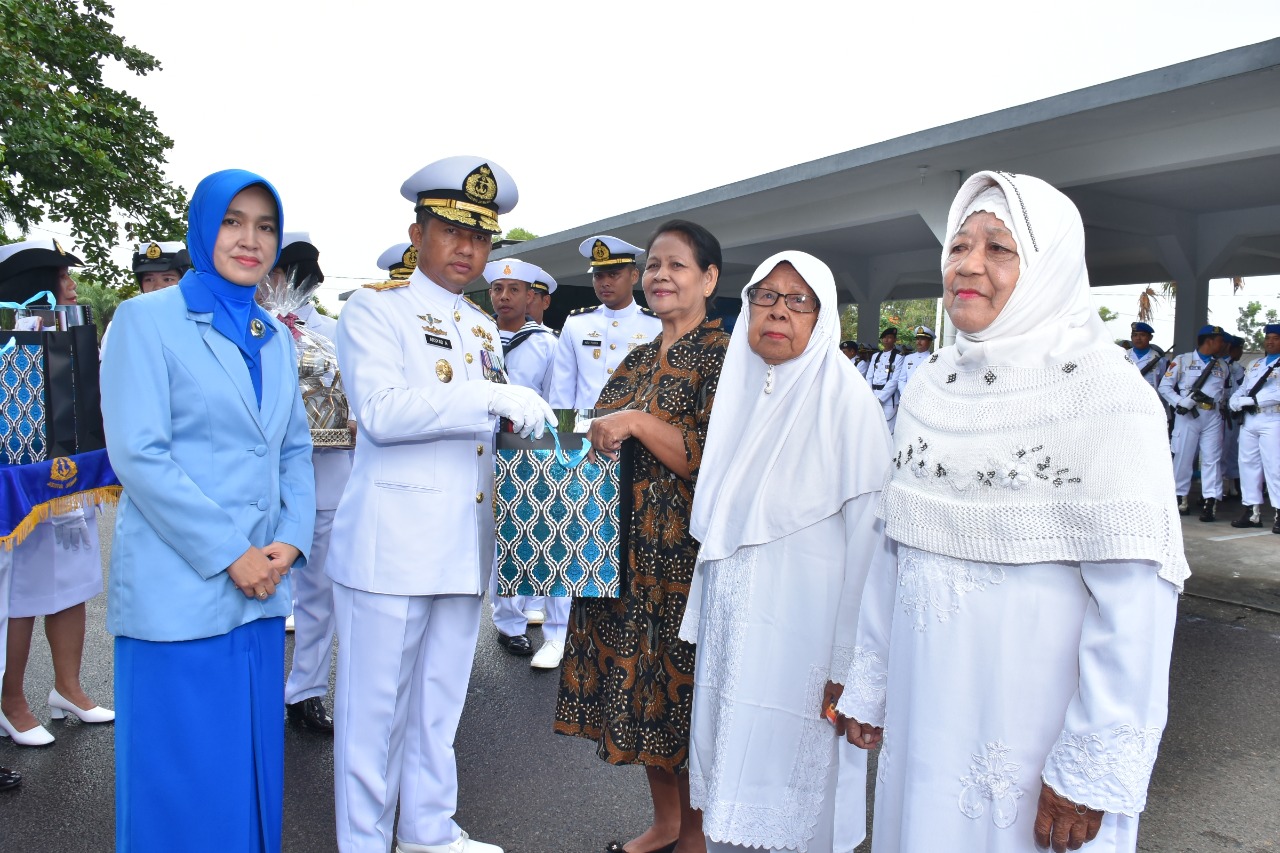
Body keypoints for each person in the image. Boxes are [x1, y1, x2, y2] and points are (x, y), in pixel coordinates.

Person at [839, 171, 1184, 853]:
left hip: (1035, 742)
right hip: (926, 710)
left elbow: (1136, 604)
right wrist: (870, 679)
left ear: (1049, 267)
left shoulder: (1109, 398)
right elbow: (895, 548)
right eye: (959, 245)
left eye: (999, 248)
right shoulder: (930, 385)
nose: (968, 264)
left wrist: (1089, 767)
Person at [327, 156, 552, 853]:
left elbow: (485, 433)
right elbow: (384, 412)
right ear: (416, 231)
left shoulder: (482, 328)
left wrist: (520, 425)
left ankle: (428, 828)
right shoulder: (374, 309)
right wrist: (489, 397)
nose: (467, 249)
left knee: (438, 707)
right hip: (391, 549)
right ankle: (364, 842)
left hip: (463, 543)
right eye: (452, 230)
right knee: (375, 713)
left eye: (481, 238)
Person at [101, 169, 316, 852]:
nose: (250, 239)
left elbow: (294, 449)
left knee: (243, 777)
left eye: (264, 225)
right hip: (181, 596)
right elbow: (140, 454)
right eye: (232, 221)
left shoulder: (274, 336)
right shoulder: (146, 319)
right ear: (202, 227)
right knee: (179, 786)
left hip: (258, 595)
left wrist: (290, 537)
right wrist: (234, 552)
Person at [681, 250, 892, 853]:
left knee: (796, 800)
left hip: (808, 647)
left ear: (822, 318)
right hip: (740, 637)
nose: (778, 311)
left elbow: (871, 552)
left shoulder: (847, 403)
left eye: (798, 300)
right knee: (734, 776)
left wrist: (852, 672)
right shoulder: (746, 392)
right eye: (765, 297)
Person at [555, 219, 731, 853]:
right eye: (653, 265)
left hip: (686, 560)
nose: (660, 276)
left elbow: (709, 456)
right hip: (622, 554)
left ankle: (695, 838)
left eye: (676, 266)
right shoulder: (635, 356)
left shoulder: (726, 357)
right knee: (645, 693)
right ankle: (665, 824)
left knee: (685, 702)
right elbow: (597, 442)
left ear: (709, 278)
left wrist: (632, 420)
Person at [0, 238, 112, 749]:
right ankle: (12, 700)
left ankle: (67, 689)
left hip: (69, 480)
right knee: (19, 596)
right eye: (62, 278)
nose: (71, 286)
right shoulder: (7, 343)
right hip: (21, 491)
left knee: (72, 583)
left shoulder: (77, 336)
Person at [266, 233, 351, 733]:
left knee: (317, 596)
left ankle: (305, 692)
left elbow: (356, 402)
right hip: (257, 487)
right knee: (251, 594)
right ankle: (251, 692)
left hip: (325, 483)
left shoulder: (336, 334)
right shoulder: (250, 326)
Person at [482, 256, 564, 667]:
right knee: (487, 538)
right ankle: (497, 621)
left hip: (525, 450)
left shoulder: (547, 344)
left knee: (523, 534)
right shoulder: (476, 337)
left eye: (514, 290)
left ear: (530, 296)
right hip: (476, 445)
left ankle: (524, 624)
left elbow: (555, 400)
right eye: (497, 289)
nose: (504, 297)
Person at [548, 234, 662, 417]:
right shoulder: (576, 323)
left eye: (614, 275)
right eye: (598, 276)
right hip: (584, 432)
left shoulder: (656, 325)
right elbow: (562, 389)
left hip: (635, 432)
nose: (605, 283)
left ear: (634, 276)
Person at [1158, 324, 1229, 520]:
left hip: (1212, 416)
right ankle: (1180, 497)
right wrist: (1181, 401)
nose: (1222, 344)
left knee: (1211, 458)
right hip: (1188, 415)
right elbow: (1165, 387)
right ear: (1210, 341)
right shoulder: (1182, 360)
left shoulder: (1222, 365)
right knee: (1183, 456)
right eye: (1220, 340)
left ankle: (1210, 500)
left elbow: (1225, 392)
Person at [1228, 323, 1280, 531]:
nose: (1270, 341)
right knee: (1247, 465)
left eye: (1276, 338)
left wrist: (1253, 401)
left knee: (1274, 466)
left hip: (1273, 418)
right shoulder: (1256, 364)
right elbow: (1244, 387)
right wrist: (1235, 399)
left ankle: (1278, 512)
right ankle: (1251, 512)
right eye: (1268, 337)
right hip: (1250, 420)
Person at [1221, 335, 1246, 499]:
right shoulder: (1229, 366)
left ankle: (1232, 487)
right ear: (1232, 348)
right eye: (1240, 349)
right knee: (1223, 451)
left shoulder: (1236, 367)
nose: (1241, 352)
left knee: (1232, 451)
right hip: (1222, 412)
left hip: (1232, 413)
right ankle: (1221, 488)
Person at [864, 326, 901, 431]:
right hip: (873, 394)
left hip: (888, 399)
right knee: (873, 427)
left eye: (889, 337)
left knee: (887, 430)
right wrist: (870, 395)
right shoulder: (876, 356)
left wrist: (880, 398)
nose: (886, 340)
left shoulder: (898, 357)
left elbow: (894, 381)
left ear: (894, 339)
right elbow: (869, 376)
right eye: (884, 337)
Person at [1126, 322, 1165, 393]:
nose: (1138, 338)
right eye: (1135, 335)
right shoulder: (1123, 355)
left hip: (1149, 399)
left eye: (1142, 335)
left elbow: (1164, 385)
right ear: (1131, 337)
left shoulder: (1160, 360)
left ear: (1150, 337)